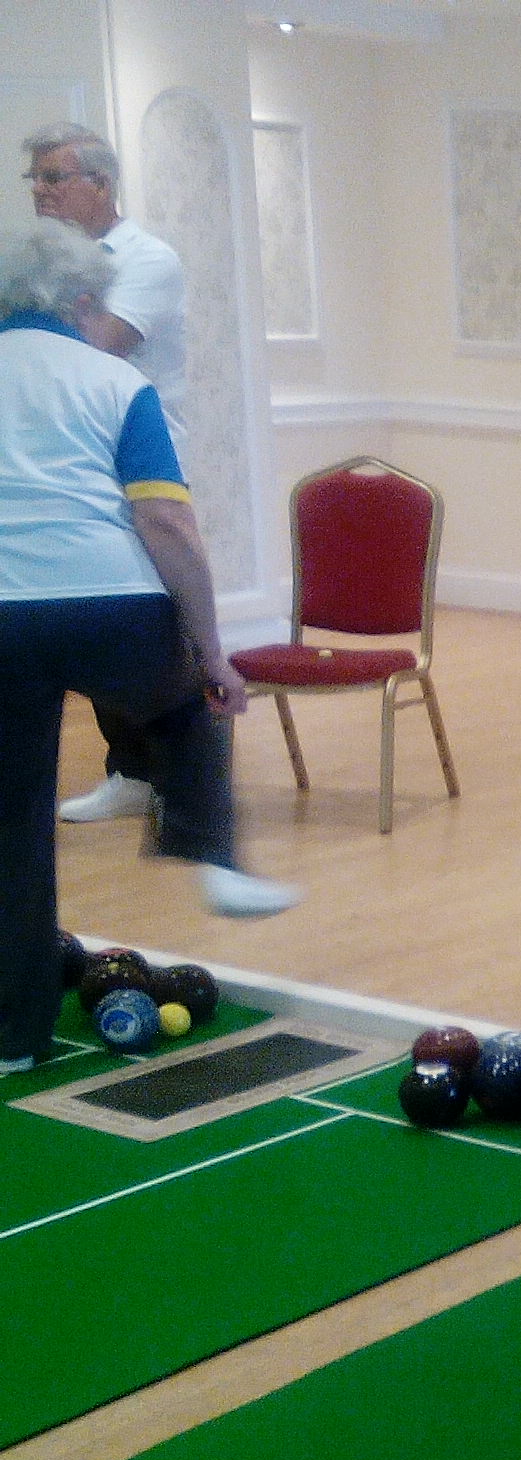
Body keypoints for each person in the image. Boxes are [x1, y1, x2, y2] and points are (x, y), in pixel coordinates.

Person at [1, 221, 296, 1073]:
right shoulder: (116, 381)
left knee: (10, 828)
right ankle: (213, 852)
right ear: (79, 300)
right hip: (110, 601)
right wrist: (211, 651)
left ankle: (13, 1041)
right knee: (186, 704)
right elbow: (165, 520)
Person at [22, 123, 189, 828]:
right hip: (72, 457)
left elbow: (101, 345)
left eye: (54, 177)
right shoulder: (41, 266)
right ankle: (130, 771)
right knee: (89, 606)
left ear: (101, 183)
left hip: (142, 453)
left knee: (149, 616)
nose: (41, 192)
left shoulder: (147, 259)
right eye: (34, 179)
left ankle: (175, 775)